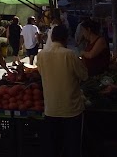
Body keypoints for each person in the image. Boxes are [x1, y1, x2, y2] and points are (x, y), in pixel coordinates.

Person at [38, 25, 88, 157]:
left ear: (52, 37)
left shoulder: (41, 55)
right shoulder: (69, 55)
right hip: (71, 109)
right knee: (72, 147)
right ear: (66, 38)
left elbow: (41, 73)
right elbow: (84, 75)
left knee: (54, 147)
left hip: (51, 109)